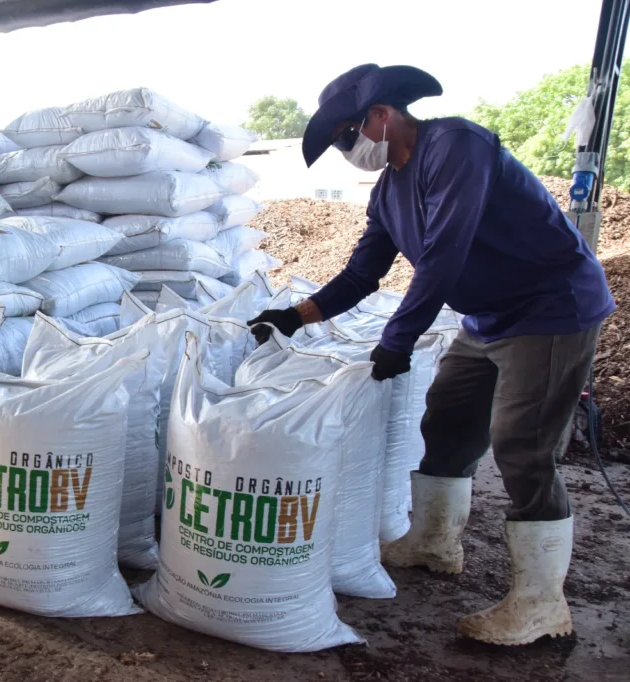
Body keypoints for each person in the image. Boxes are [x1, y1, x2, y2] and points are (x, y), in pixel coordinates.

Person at [247, 64, 615, 646]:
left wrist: (396, 341)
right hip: (486, 317)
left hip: (550, 308)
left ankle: (541, 603)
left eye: (348, 135)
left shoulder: (455, 146)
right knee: (445, 421)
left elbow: (443, 255)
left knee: (522, 443)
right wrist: (294, 316)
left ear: (381, 117)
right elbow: (361, 273)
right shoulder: (390, 191)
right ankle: (435, 542)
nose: (349, 150)